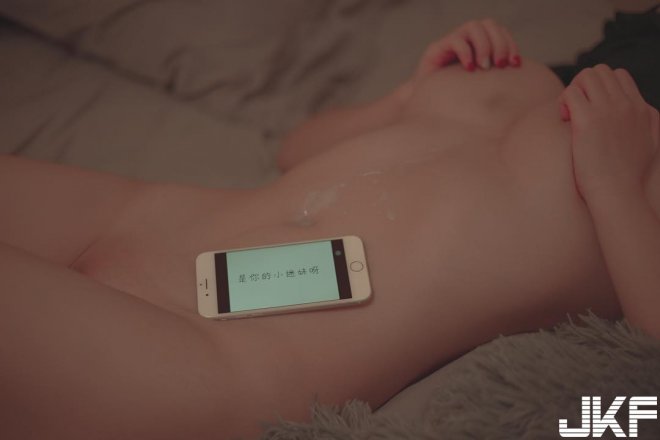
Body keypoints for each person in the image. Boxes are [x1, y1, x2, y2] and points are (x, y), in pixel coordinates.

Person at [1, 17, 658, 440]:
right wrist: (409, 94)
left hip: (219, 354)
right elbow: (297, 149)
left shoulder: (633, 164)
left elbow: (640, 403)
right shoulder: (526, 75)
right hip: (152, 218)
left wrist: (615, 183)